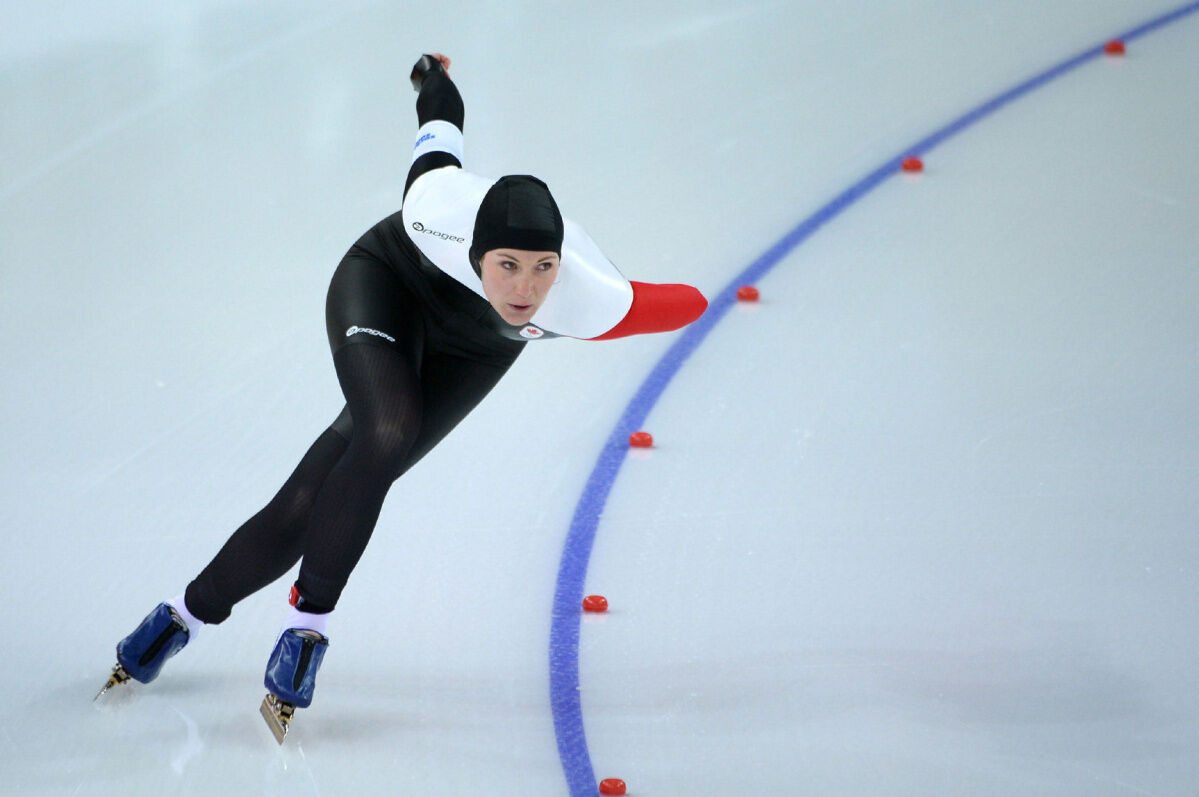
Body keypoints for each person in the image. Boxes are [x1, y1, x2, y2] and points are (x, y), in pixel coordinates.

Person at [99, 53, 708, 740]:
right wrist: (431, 74)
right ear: (475, 250)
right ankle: (307, 630)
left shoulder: (594, 299)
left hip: (475, 351)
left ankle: (181, 614)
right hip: (386, 284)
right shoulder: (435, 210)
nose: (524, 287)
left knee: (332, 483)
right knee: (385, 430)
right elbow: (440, 127)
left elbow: (684, 304)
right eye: (506, 264)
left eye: (542, 269)